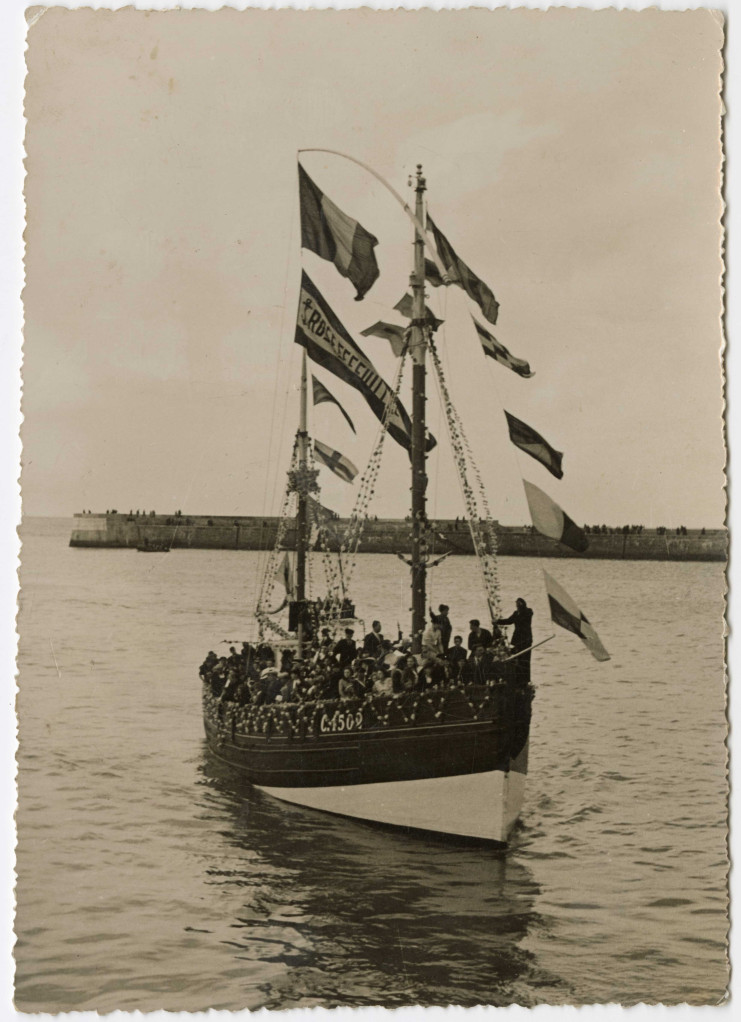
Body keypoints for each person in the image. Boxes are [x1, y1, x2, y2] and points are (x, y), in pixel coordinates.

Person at [497, 597, 534, 683]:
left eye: (519, 604)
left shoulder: (528, 611)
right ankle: (517, 678)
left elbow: (522, 618)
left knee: (525, 659)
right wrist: (498, 621)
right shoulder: (516, 613)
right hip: (517, 639)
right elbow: (509, 621)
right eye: (516, 604)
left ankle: (525, 679)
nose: (517, 606)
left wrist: (519, 612)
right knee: (517, 659)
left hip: (526, 639)